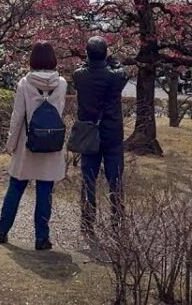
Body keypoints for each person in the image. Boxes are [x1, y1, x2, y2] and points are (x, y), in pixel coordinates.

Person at [0, 41, 68, 251]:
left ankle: (2, 230)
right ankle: (41, 238)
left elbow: (17, 116)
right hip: (51, 144)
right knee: (45, 191)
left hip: (28, 144)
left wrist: (11, 144)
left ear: (33, 60)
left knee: (15, 188)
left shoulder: (25, 83)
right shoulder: (61, 83)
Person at [73, 36, 127, 242]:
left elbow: (81, 66)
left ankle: (87, 220)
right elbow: (121, 69)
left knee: (88, 179)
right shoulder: (115, 77)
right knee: (116, 179)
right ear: (105, 54)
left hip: (89, 133)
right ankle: (117, 219)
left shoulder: (80, 76)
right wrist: (112, 59)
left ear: (87, 54)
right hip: (112, 133)